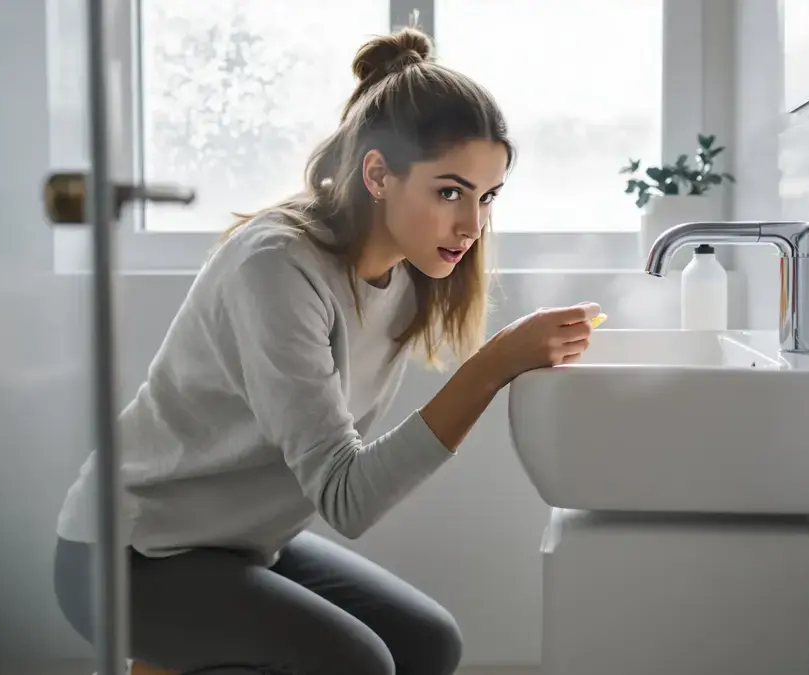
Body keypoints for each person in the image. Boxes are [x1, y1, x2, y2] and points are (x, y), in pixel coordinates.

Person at [52, 24, 600, 675]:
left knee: (429, 644)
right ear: (378, 173)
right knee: (357, 664)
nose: (472, 225)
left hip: (239, 546)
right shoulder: (277, 266)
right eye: (449, 191)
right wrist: (492, 366)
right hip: (130, 553)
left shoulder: (408, 274)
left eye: (487, 197)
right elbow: (347, 497)